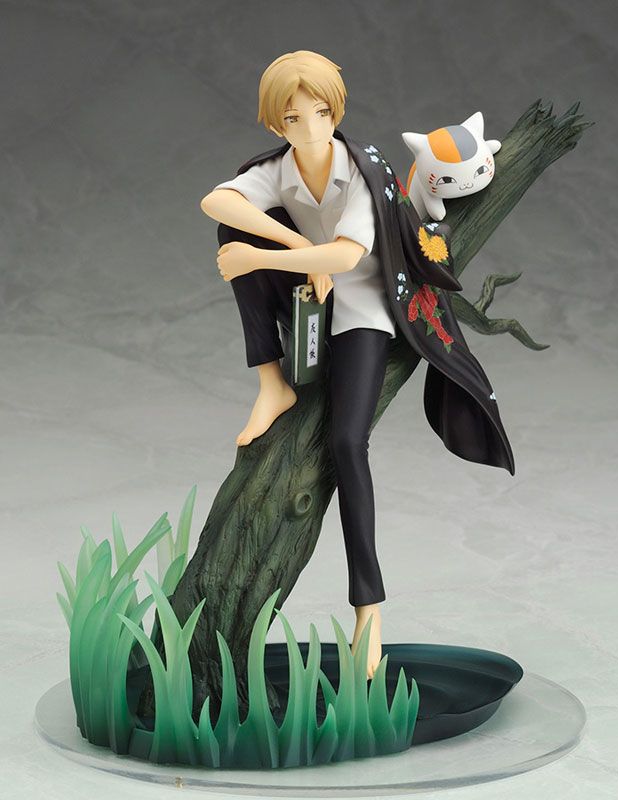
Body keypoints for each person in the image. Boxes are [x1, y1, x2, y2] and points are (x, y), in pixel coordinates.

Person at [200, 51, 393, 679]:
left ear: (336, 111)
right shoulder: (279, 170)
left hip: (361, 309)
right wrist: (291, 242)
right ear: (274, 124)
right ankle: (271, 383)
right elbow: (216, 201)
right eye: (292, 118)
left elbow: (347, 258)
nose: (309, 128)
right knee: (234, 237)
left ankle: (369, 608)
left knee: (346, 443)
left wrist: (274, 258)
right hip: (310, 297)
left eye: (320, 113)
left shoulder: (359, 173)